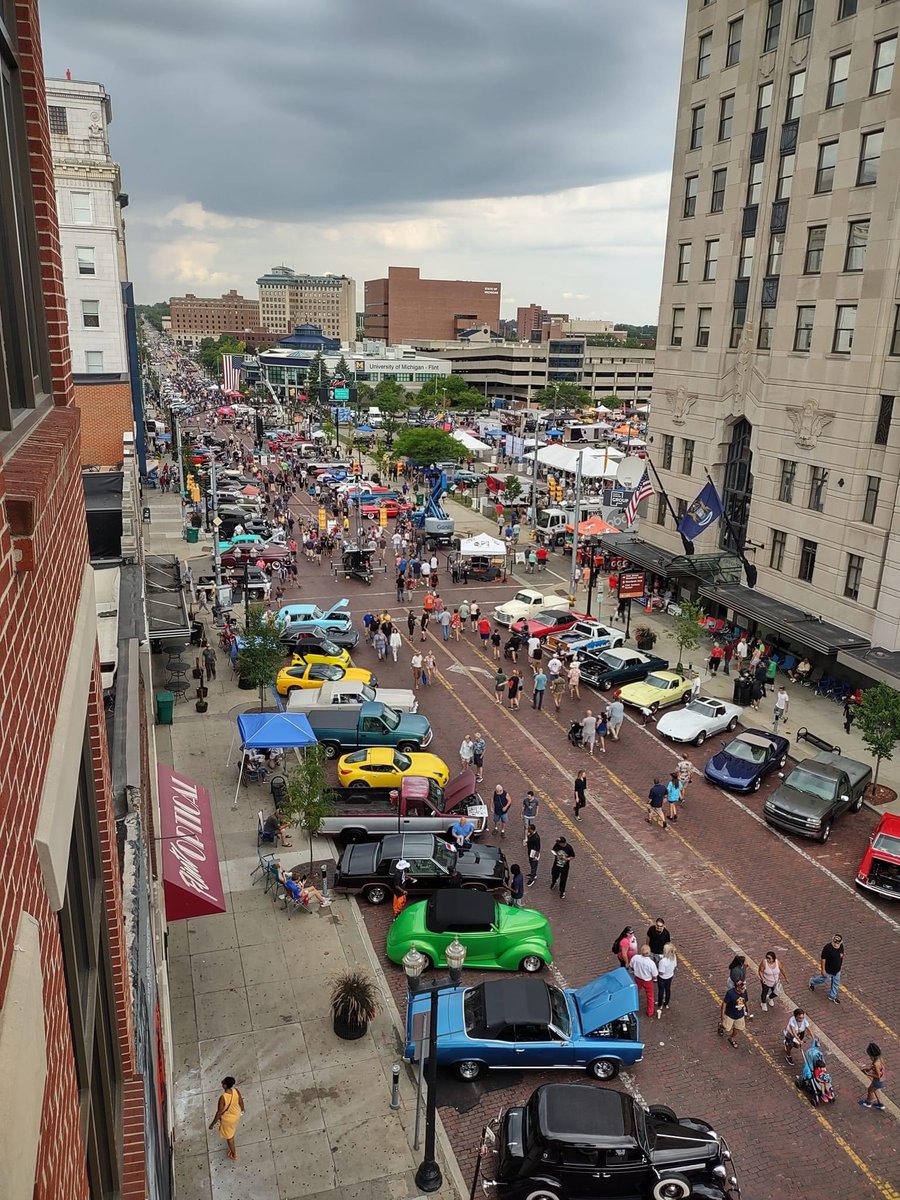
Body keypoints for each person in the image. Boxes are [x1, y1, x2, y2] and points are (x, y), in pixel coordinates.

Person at [209, 1076, 245, 1160]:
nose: (221, 1082)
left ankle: (234, 1155)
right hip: (236, 1115)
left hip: (228, 1120)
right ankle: (233, 1151)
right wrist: (242, 1110)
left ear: (225, 1085)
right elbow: (241, 1102)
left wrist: (212, 1124)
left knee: (230, 1138)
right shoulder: (236, 1091)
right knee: (232, 1130)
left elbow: (219, 1113)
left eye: (223, 1082)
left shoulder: (223, 1098)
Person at [809, 934, 844, 1002]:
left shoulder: (841, 946)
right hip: (828, 970)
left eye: (837, 943)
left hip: (837, 970)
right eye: (834, 942)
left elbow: (841, 955)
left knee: (836, 983)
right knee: (822, 979)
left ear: (841, 942)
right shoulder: (827, 948)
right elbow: (823, 960)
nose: (835, 944)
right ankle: (812, 981)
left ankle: (832, 996)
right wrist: (823, 970)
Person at [630, 944, 658, 1018]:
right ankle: (650, 1012)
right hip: (647, 981)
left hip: (638, 978)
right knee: (650, 996)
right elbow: (655, 974)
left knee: (635, 992)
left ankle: (631, 1006)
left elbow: (631, 966)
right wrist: (653, 979)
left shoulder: (635, 958)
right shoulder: (651, 963)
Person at [720, 978, 749, 1049]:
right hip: (730, 1015)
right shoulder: (730, 993)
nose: (743, 989)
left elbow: (746, 1001)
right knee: (726, 1028)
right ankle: (721, 1026)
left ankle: (732, 1038)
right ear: (737, 987)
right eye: (741, 988)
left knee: (738, 1028)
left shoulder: (744, 992)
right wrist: (722, 1015)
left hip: (740, 1015)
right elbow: (724, 1004)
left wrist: (748, 1010)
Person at [860, 1043, 887, 1110]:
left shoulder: (875, 1063)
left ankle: (868, 1103)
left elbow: (878, 1076)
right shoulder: (880, 1059)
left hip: (878, 1081)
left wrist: (868, 1074)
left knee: (870, 1090)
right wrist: (869, 1069)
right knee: (875, 1090)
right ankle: (880, 1104)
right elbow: (879, 1068)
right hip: (883, 1080)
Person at [657, 943, 677, 1016]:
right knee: (668, 989)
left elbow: (661, 972)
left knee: (661, 991)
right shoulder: (674, 957)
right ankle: (666, 1003)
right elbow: (675, 966)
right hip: (670, 976)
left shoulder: (662, 961)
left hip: (662, 978)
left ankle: (660, 1003)